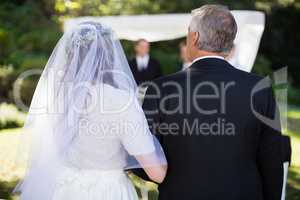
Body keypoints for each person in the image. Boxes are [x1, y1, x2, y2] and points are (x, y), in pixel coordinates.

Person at [133, 5, 284, 200]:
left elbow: (145, 157)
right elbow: (272, 161)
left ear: (194, 37)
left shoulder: (161, 89)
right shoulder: (260, 88)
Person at [15, 22, 167, 200]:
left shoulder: (56, 96)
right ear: (111, 57)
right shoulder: (120, 101)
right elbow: (156, 172)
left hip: (62, 190)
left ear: (70, 57)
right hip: (107, 192)